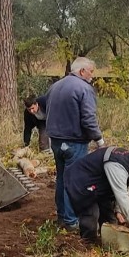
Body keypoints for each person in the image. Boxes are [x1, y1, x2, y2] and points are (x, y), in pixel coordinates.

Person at [45, 57, 105, 231]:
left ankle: (62, 216)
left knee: (62, 178)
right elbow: (88, 118)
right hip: (74, 143)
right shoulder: (83, 88)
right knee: (74, 181)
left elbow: (45, 109)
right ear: (81, 71)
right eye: (91, 72)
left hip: (56, 141)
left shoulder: (55, 86)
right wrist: (99, 140)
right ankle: (71, 222)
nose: (92, 76)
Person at [64, 146, 129, 243]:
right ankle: (87, 245)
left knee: (111, 220)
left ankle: (107, 243)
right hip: (81, 180)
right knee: (91, 216)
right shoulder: (117, 166)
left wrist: (118, 210)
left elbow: (124, 189)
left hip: (100, 186)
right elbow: (122, 196)